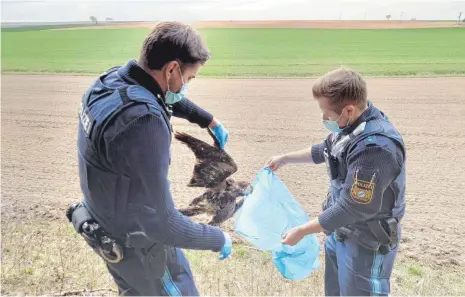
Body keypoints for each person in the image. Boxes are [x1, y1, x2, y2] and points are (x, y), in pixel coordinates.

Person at [71, 21, 232, 296]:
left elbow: (157, 94)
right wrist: (218, 238)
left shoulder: (109, 82)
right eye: (189, 78)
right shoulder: (143, 122)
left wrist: (206, 119)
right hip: (142, 249)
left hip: (105, 226)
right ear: (172, 69)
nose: (187, 86)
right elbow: (162, 223)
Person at [265, 67, 406, 296]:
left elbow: (354, 206)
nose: (324, 118)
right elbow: (327, 150)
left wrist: (302, 230)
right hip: (341, 233)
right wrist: (285, 159)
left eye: (327, 113)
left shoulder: (375, 149)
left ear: (348, 110)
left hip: (366, 241)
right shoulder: (353, 126)